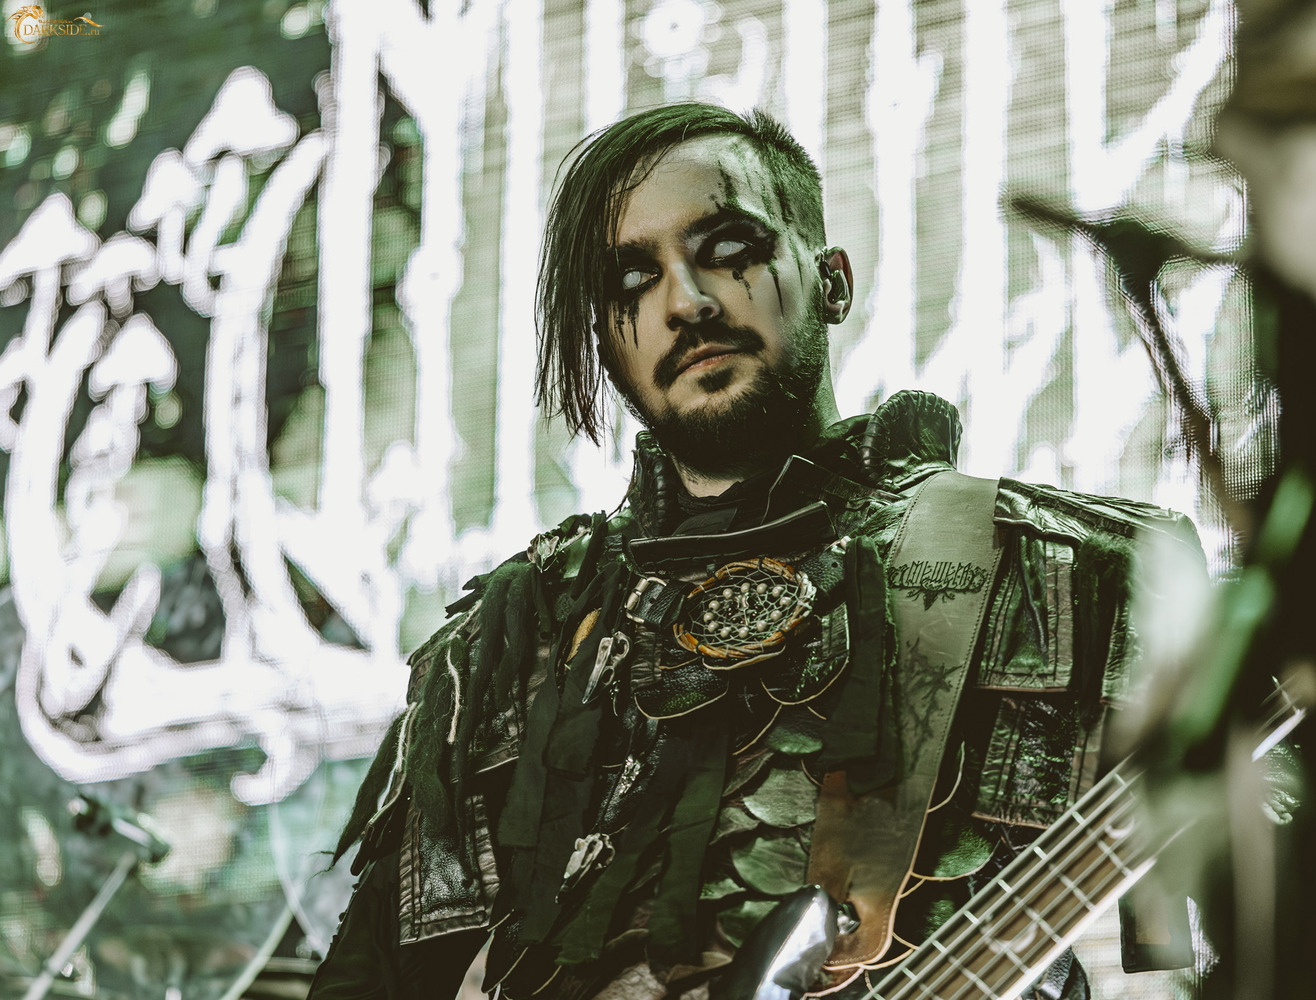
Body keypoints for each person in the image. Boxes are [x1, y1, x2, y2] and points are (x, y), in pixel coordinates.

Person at [308, 102, 1201, 1000]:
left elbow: (1251, 951)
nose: (687, 303)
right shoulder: (510, 639)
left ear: (832, 283)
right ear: (607, 347)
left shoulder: (1080, 574)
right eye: (632, 281)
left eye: (730, 249)